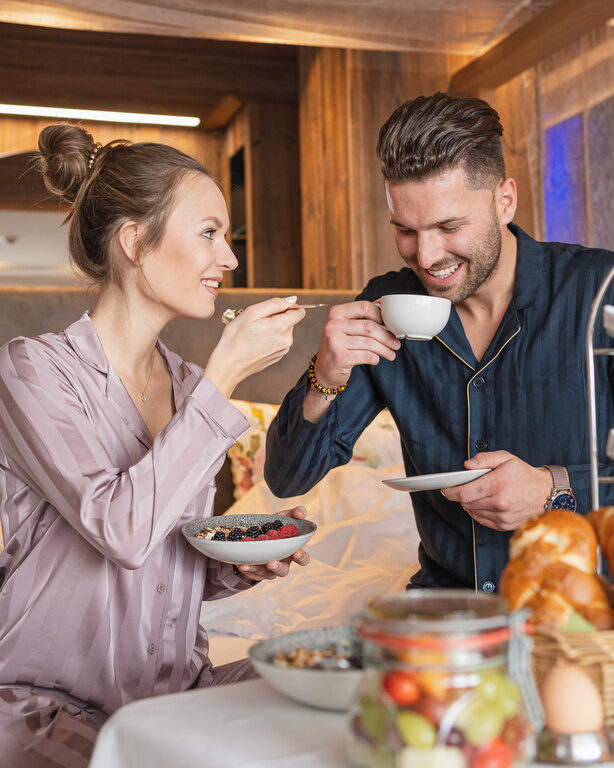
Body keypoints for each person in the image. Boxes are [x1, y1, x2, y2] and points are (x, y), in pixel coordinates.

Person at [0, 124, 309, 767]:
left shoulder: (188, 386)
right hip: (48, 706)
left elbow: (167, 558)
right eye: (208, 233)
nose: (229, 258)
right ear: (135, 241)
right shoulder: (32, 372)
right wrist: (225, 377)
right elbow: (121, 529)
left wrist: (235, 563)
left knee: (345, 690)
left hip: (171, 695)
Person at [265, 91, 614, 593]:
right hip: (448, 614)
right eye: (405, 230)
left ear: (504, 199)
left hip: (583, 616)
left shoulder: (600, 291)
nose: (426, 256)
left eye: (449, 227)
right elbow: (286, 478)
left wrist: (553, 490)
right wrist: (325, 374)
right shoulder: (386, 307)